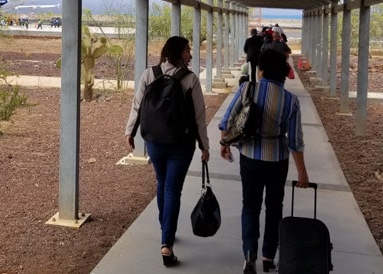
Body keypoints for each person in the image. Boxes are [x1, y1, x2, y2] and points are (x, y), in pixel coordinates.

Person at [218, 48, 310, 274]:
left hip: (250, 156)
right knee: (274, 207)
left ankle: (250, 254)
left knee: (250, 205)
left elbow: (227, 120)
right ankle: (269, 257)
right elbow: (295, 141)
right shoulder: (291, 101)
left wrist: (225, 144)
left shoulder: (248, 89)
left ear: (261, 71)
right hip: (278, 159)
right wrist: (302, 173)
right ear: (282, 74)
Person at [125, 36, 210, 267]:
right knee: (173, 188)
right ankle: (167, 244)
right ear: (177, 52)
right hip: (181, 144)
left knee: (162, 184)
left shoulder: (149, 73)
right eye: (187, 51)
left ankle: (166, 228)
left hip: (154, 141)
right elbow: (199, 117)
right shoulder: (190, 79)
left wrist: (130, 132)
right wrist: (204, 145)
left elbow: (138, 104)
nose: (190, 55)